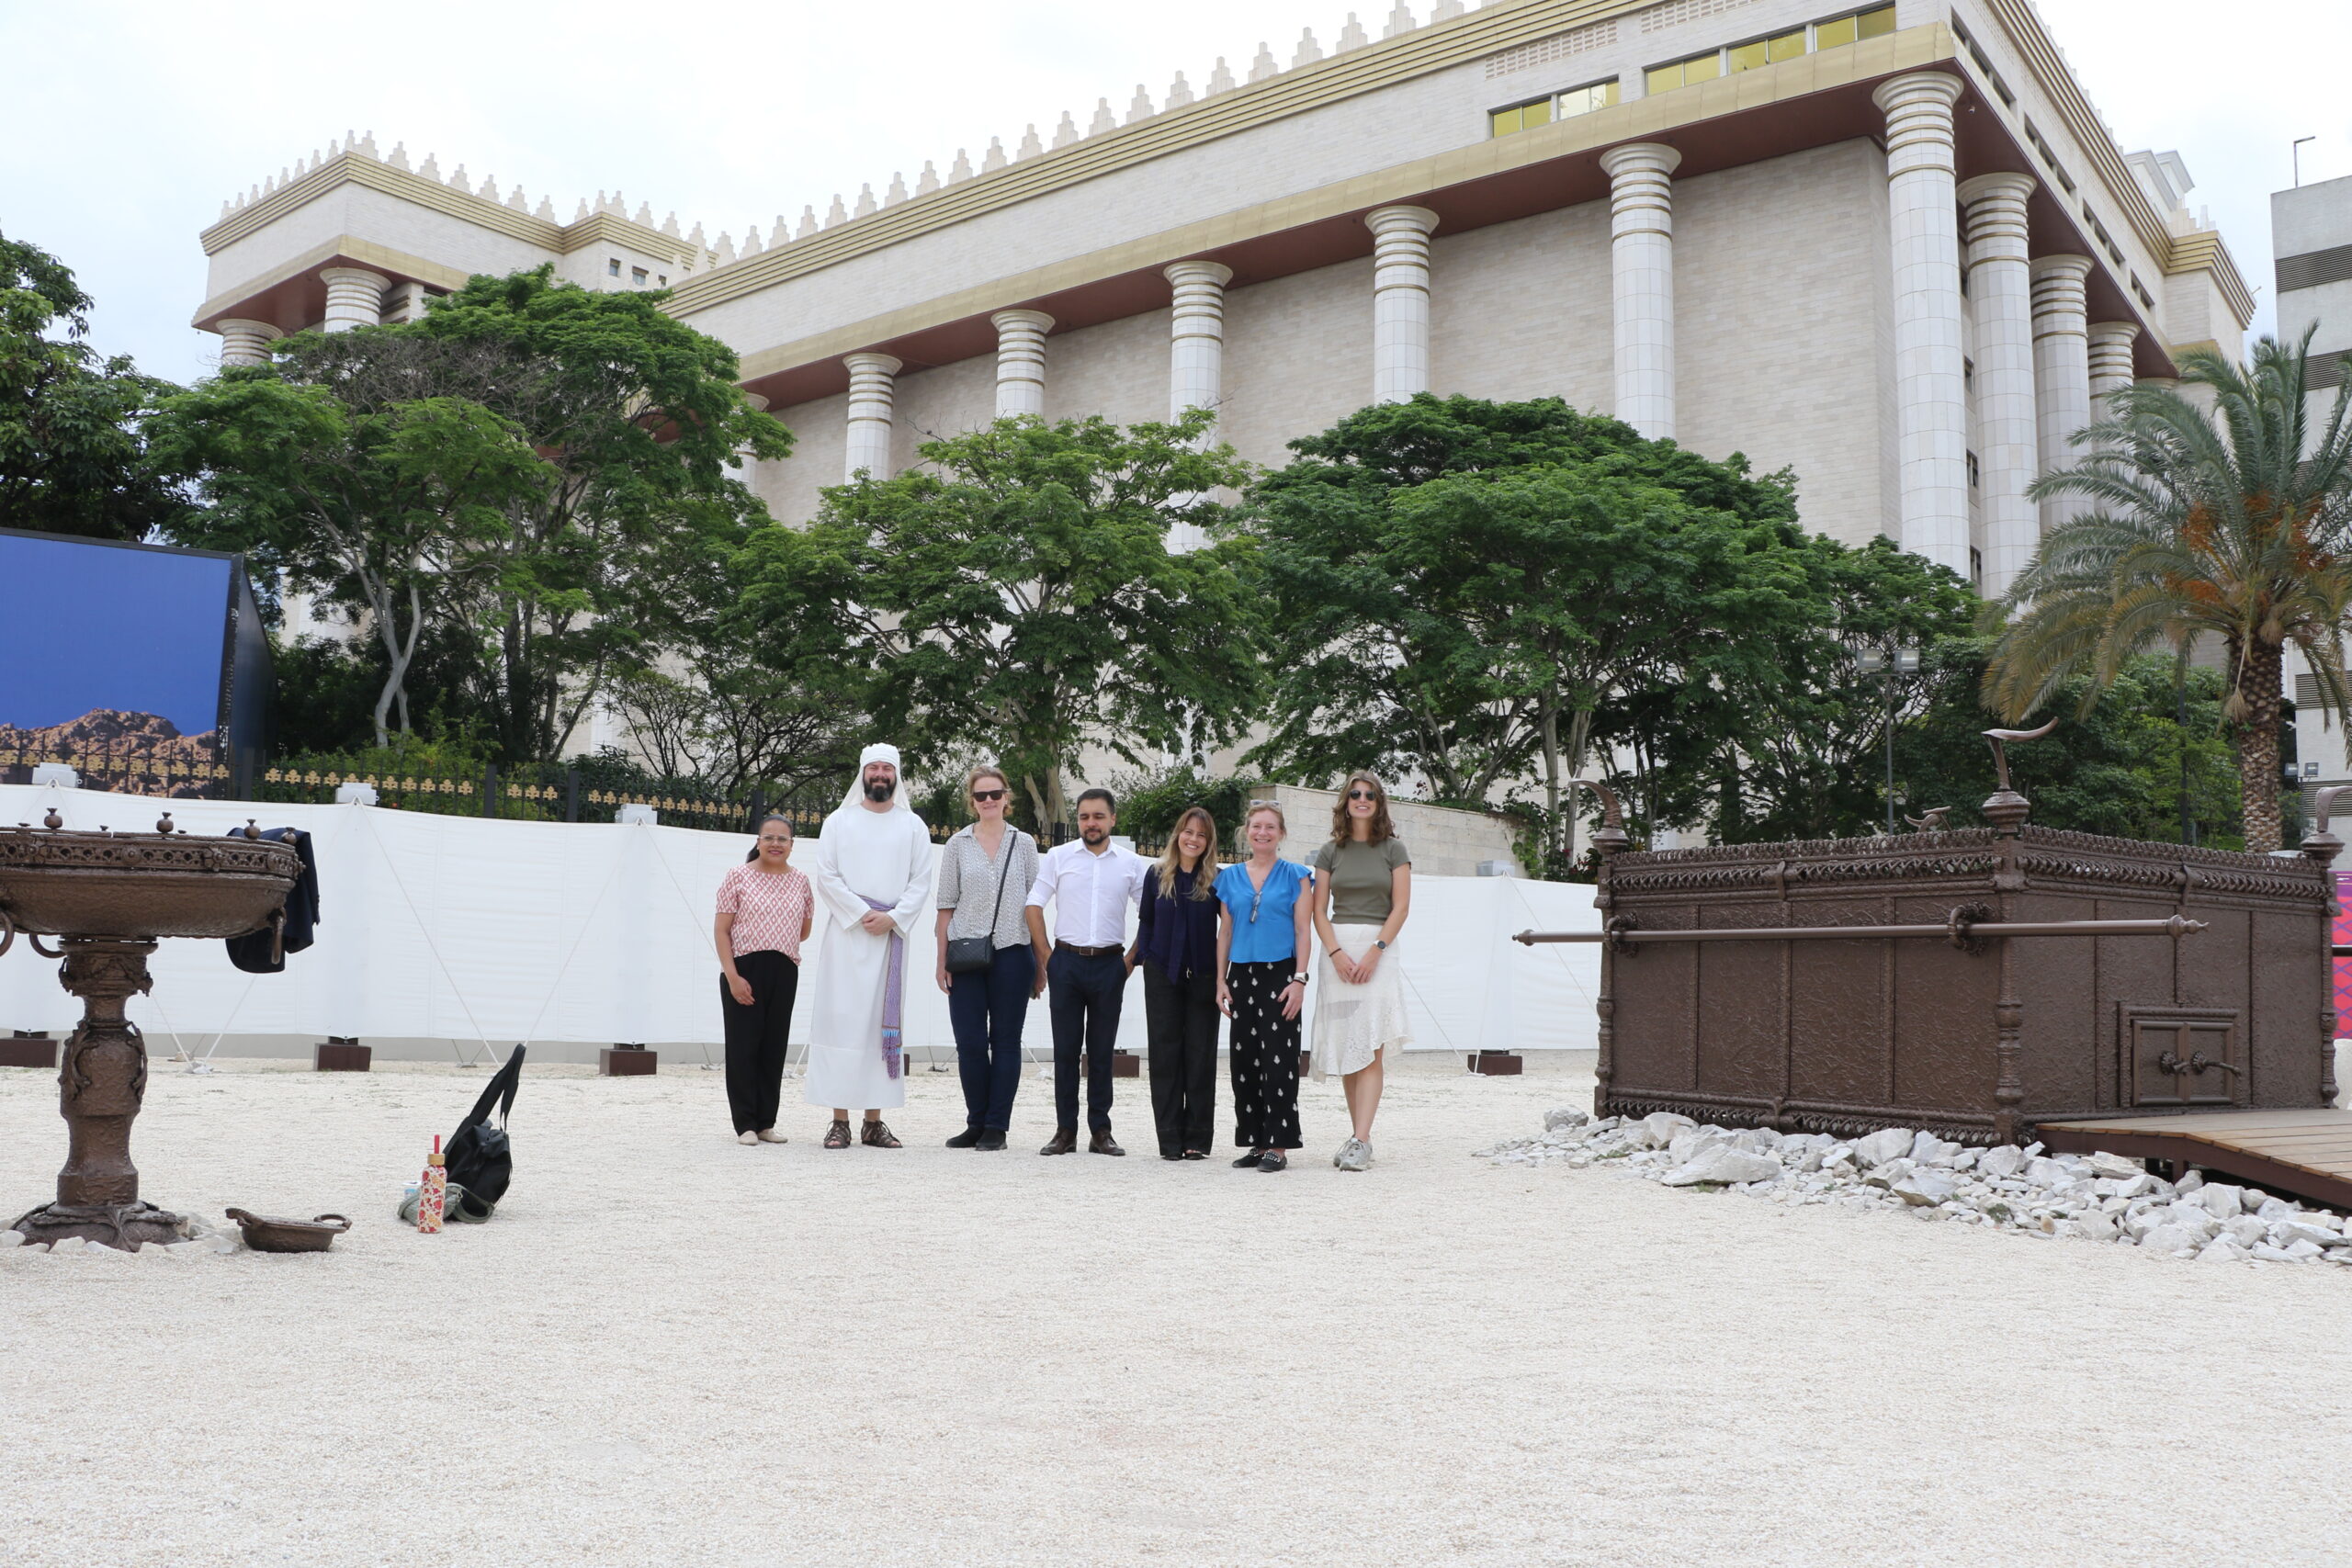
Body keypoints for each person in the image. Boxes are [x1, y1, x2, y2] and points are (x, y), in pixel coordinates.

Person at [805, 744, 935, 1148]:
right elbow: (826, 876)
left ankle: (873, 1122)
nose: (880, 774)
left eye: (887, 768)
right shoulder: (838, 821)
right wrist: (863, 914)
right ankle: (840, 1120)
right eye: (874, 768)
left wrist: (893, 918)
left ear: (896, 775)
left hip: (889, 938)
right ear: (863, 773)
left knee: (882, 1026)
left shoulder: (913, 825)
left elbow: (921, 881)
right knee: (841, 1023)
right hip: (846, 938)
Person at [1024, 787, 1148, 1156]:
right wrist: (1046, 956)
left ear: (1112, 819)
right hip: (1066, 961)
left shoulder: (1131, 862)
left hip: (1111, 964)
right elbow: (1034, 905)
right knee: (1064, 1050)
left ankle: (1101, 1131)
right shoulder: (1059, 857)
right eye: (1083, 817)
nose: (1090, 823)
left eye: (1098, 816)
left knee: (1101, 1051)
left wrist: (1130, 961)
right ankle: (1065, 1131)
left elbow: (1150, 915)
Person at [1308, 772, 1413, 1172]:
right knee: (1347, 1045)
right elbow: (1318, 909)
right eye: (1355, 793)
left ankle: (1363, 1139)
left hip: (1379, 950)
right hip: (1337, 951)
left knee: (1370, 1046)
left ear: (1378, 802)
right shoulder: (1330, 851)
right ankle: (1356, 1135)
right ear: (1345, 801)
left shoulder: (1393, 848)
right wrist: (1334, 952)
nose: (1362, 799)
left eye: (1369, 794)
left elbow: (1400, 907)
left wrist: (1375, 952)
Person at [933, 764, 1039, 1151]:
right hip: (965, 954)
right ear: (972, 801)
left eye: (996, 794)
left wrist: (1040, 963)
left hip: (1014, 950)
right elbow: (945, 906)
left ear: (1007, 797)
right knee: (971, 1043)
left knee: (1007, 1041)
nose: (989, 800)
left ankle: (997, 1126)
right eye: (981, 795)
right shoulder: (956, 845)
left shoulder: (1024, 843)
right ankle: (976, 1121)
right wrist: (940, 960)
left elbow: (1035, 904)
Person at [1213, 803, 1315, 1172]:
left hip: (1281, 974)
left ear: (1281, 833)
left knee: (1279, 1060)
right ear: (1246, 830)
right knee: (1245, 1061)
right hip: (1240, 973)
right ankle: (1255, 1140)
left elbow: (1304, 930)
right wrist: (1220, 980)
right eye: (1256, 826)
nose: (1262, 833)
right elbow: (1225, 932)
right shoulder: (1228, 878)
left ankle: (1279, 1143)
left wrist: (1300, 979)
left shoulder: (1297, 875)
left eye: (1270, 827)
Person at [713, 814, 815, 1145]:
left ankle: (766, 1121)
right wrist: (733, 977)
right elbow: (722, 930)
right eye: (768, 837)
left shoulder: (800, 880)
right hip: (744, 969)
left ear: (792, 845)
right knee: (744, 1048)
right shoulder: (738, 876)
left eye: (782, 839)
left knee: (774, 1047)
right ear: (758, 841)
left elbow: (804, 930)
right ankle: (745, 1123)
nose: (775, 844)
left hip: (784, 970)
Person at [1131, 806, 1222, 1161]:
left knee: (1200, 1056)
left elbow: (1226, 930)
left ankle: (1197, 1139)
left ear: (1209, 841)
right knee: (1165, 1056)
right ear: (1178, 834)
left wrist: (1222, 977)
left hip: (1203, 976)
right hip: (1162, 975)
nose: (1193, 839)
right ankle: (1169, 1139)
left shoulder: (1217, 880)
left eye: (1201, 834)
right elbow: (1146, 923)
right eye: (1189, 832)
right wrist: (1142, 960)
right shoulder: (1156, 875)